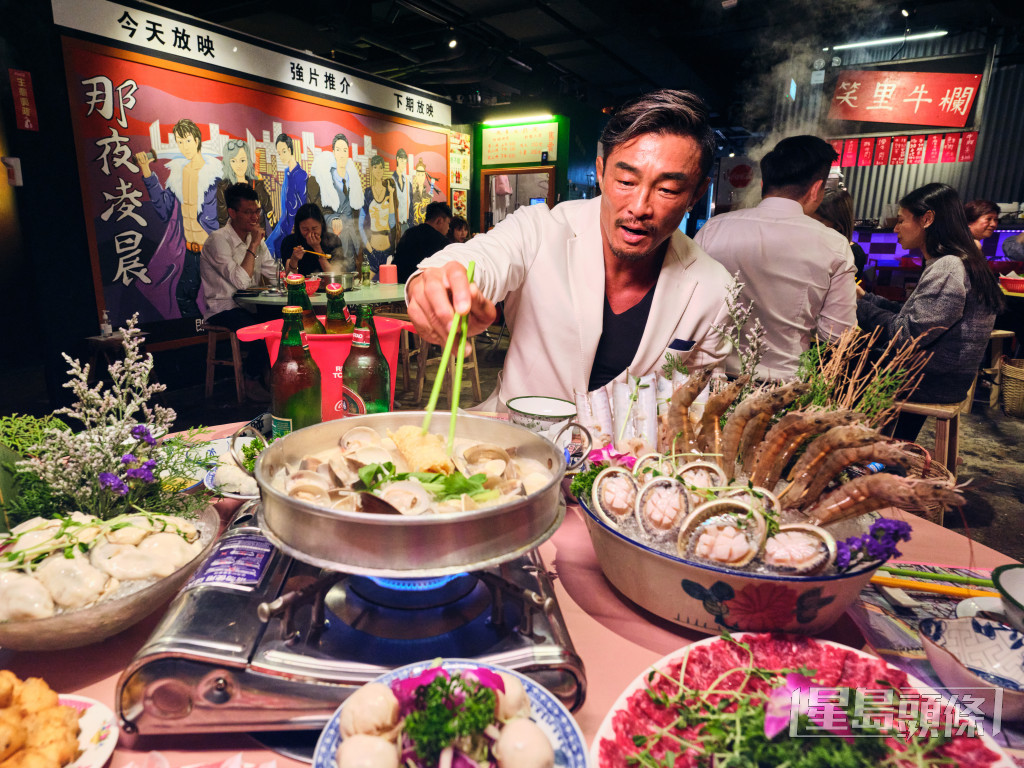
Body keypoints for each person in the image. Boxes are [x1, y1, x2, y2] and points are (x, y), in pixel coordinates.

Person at [407, 89, 734, 410]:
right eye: (625, 181)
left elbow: (696, 412)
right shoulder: (540, 230)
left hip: (627, 459)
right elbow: (480, 258)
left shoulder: (713, 290)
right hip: (516, 450)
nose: (639, 207)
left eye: (668, 189)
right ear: (602, 172)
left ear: (696, 194)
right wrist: (437, 281)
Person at [694, 135, 856, 380]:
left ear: (763, 185)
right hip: (782, 386)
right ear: (815, 189)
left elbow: (687, 306)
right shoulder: (834, 245)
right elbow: (836, 334)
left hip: (712, 381)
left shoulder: (712, 229)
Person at [857, 183, 1004, 441]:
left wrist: (853, 305)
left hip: (931, 382)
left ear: (927, 219)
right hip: (941, 377)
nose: (895, 228)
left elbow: (906, 336)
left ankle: (869, 457)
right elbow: (914, 315)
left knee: (835, 360)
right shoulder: (958, 260)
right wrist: (865, 298)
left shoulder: (948, 267)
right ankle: (893, 452)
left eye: (901, 220)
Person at [199, 183, 279, 400]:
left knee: (284, 322)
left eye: (256, 211)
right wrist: (253, 245)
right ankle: (251, 379)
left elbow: (275, 276)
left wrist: (292, 270)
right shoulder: (218, 240)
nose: (254, 217)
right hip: (223, 308)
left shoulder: (255, 239)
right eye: (248, 212)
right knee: (260, 330)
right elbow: (241, 282)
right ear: (232, 213)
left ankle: (275, 378)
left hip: (249, 306)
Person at [135, 118, 220, 319]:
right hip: (191, 251)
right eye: (180, 142)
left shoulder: (215, 175)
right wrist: (147, 171)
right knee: (184, 296)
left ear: (197, 140)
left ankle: (219, 338)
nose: (184, 146)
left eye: (188, 140)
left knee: (218, 299)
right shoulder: (177, 174)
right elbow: (163, 210)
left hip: (214, 252)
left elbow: (222, 218)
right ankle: (203, 336)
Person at [307, 133, 365, 272]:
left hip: (351, 235)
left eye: (345, 150)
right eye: (338, 150)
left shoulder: (354, 179)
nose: (342, 154)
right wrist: (332, 218)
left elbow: (358, 213)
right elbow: (317, 209)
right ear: (333, 152)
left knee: (351, 269)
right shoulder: (324, 178)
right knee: (336, 267)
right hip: (332, 236)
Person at [216, 138, 275, 235]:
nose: (239, 165)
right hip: (235, 241)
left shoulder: (257, 185)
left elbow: (270, 213)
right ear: (228, 163)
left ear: (248, 160)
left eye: (242, 160)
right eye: (233, 161)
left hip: (258, 240)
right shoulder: (223, 188)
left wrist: (277, 237)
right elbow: (223, 221)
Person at [265, 133, 308, 259]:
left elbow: (302, 204)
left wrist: (296, 227)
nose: (281, 156)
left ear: (290, 150)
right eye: (279, 153)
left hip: (293, 225)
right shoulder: (287, 173)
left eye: (283, 151)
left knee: (279, 251)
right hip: (284, 223)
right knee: (268, 248)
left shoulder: (300, 175)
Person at [813, 188, 867, 280]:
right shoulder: (811, 244)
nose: (810, 224)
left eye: (818, 221)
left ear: (838, 225)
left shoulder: (854, 253)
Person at [394, 202, 452, 283]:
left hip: (400, 285)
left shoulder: (409, 233)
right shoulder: (442, 242)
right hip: (424, 287)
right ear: (439, 220)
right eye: (448, 223)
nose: (448, 228)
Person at [360, 154, 397, 277]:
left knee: (388, 290)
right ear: (371, 169)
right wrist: (369, 248)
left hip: (387, 251)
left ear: (383, 170)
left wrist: (391, 195)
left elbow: (392, 222)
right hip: (372, 250)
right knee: (367, 289)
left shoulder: (389, 190)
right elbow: (360, 224)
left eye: (380, 167)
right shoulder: (367, 193)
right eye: (375, 167)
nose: (378, 171)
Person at [280, 204, 344, 276]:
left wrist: (317, 248)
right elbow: (290, 277)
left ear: (321, 224)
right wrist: (294, 260)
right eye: (305, 229)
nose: (310, 233)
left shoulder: (333, 240)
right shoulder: (289, 241)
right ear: (298, 227)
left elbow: (335, 275)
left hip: (328, 286)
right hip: (302, 286)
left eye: (314, 228)